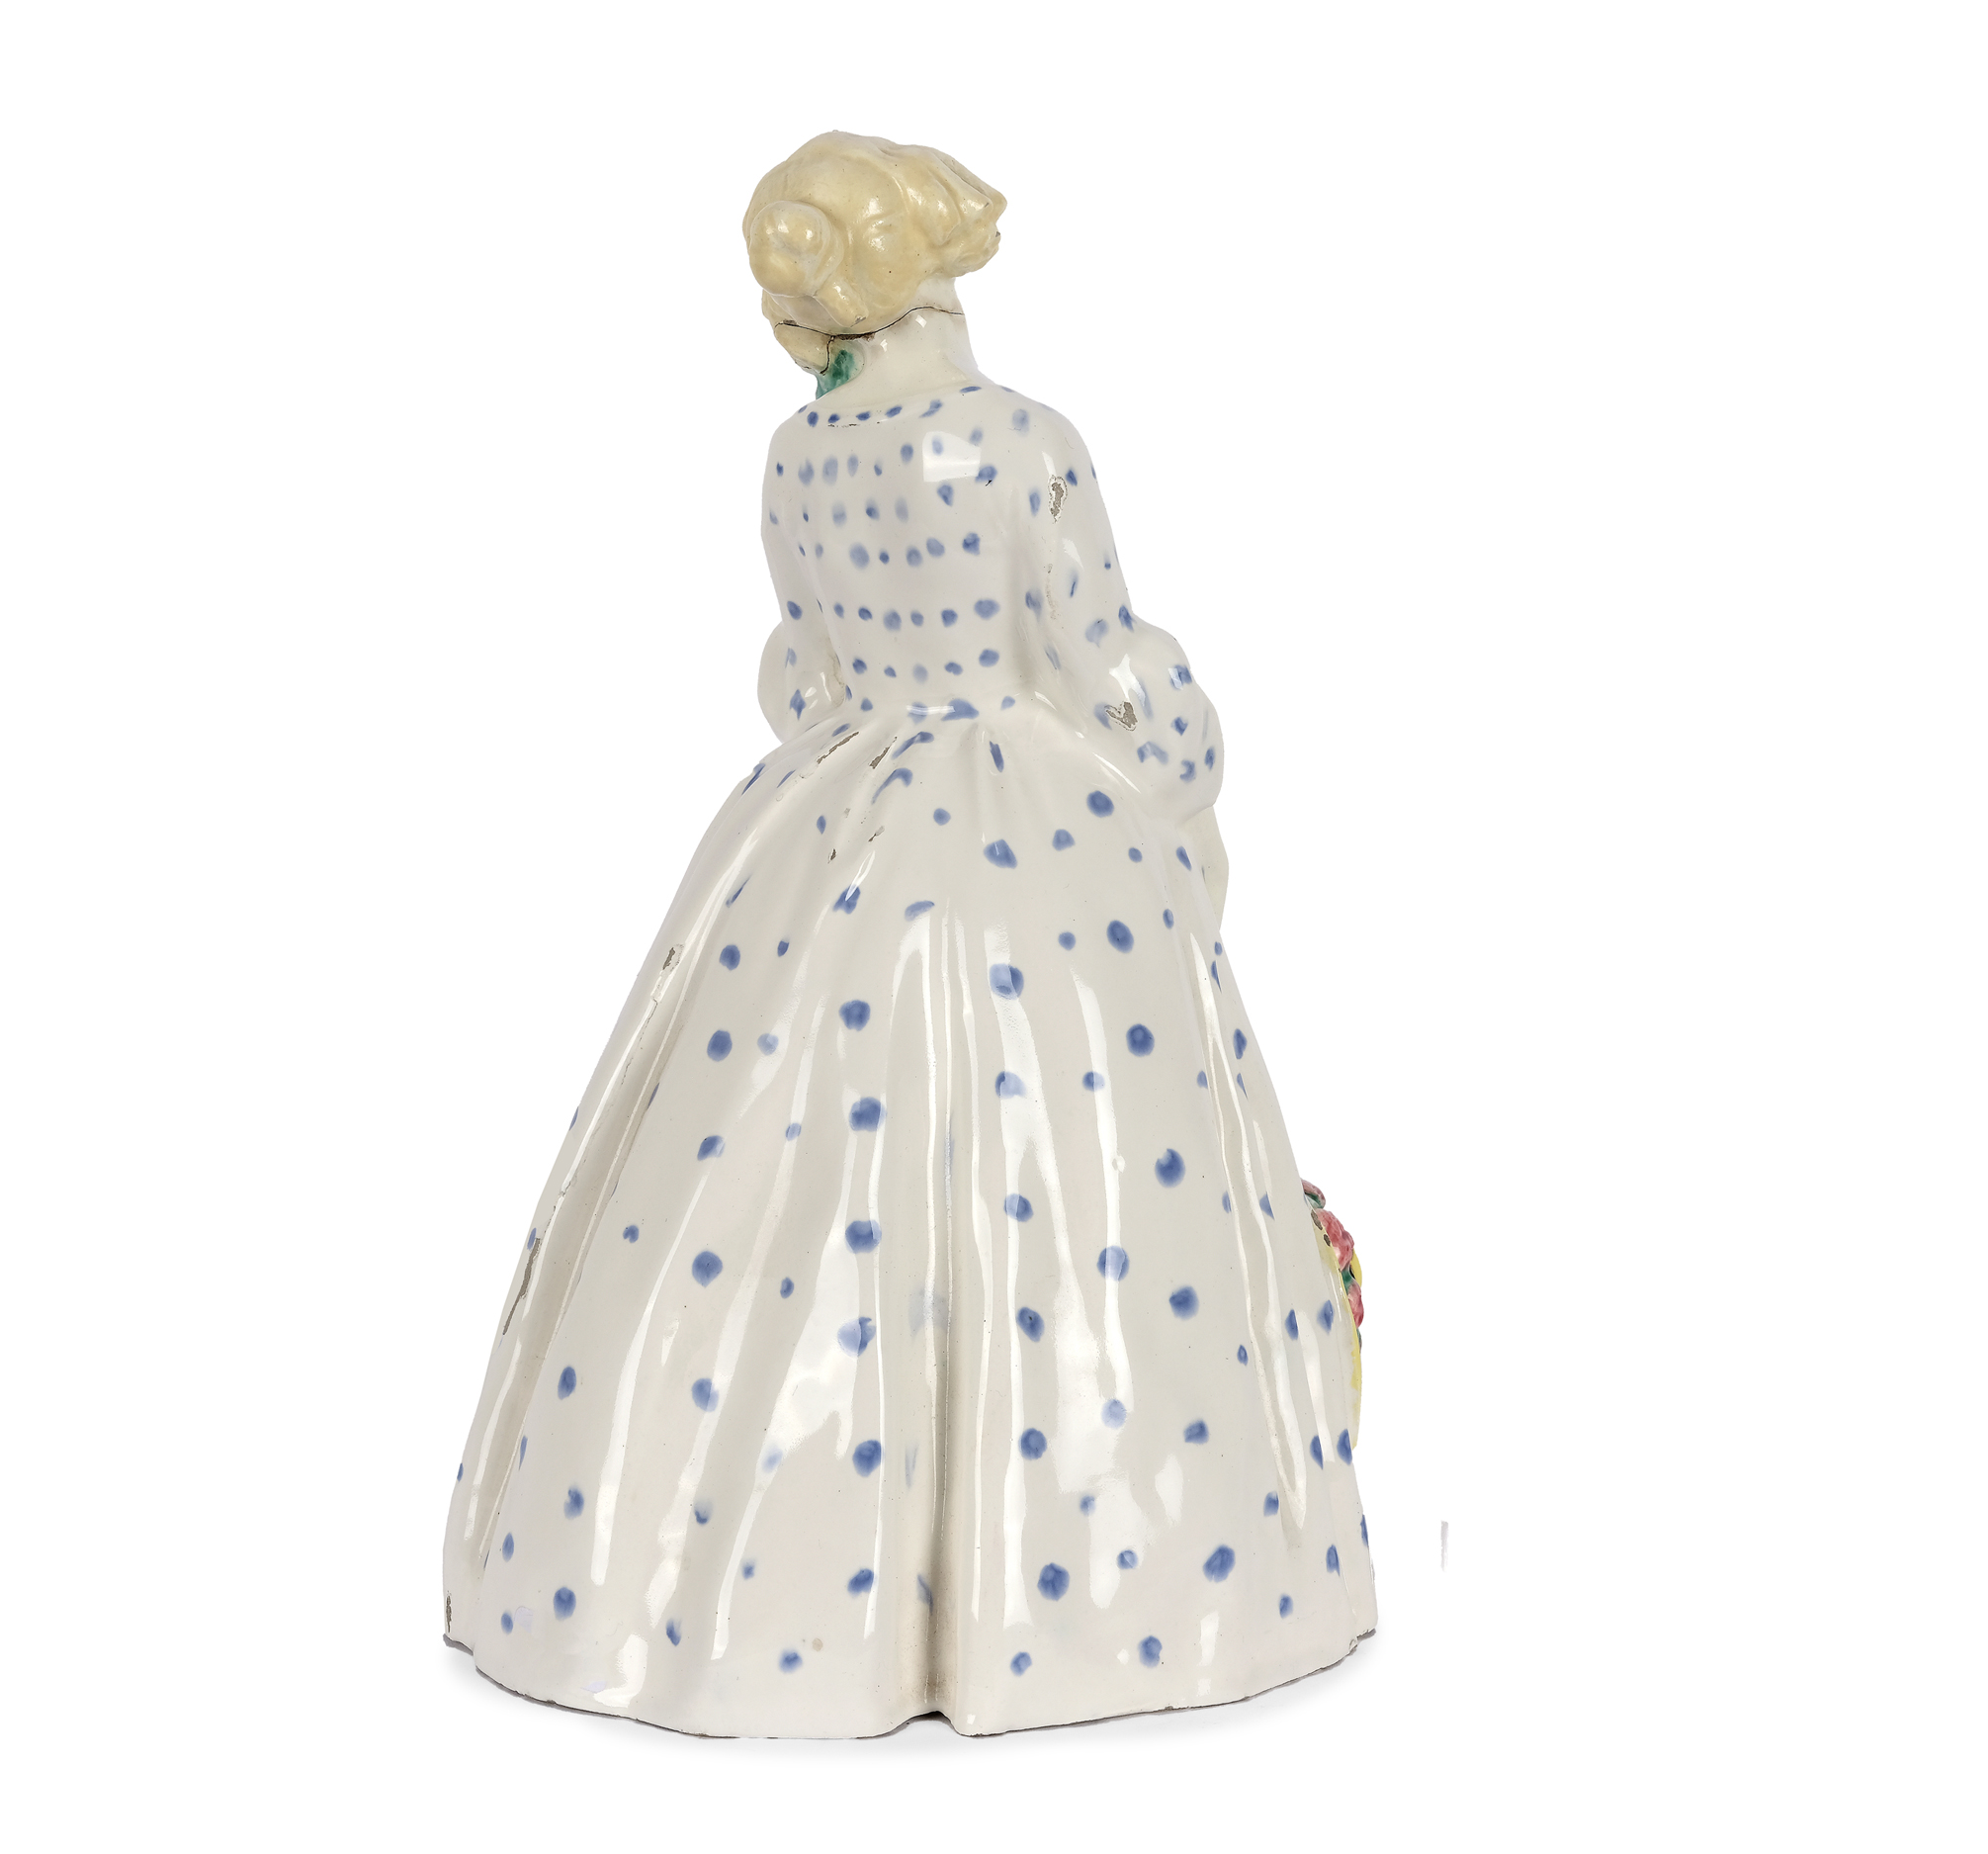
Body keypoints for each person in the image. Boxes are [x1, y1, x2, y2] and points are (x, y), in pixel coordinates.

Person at [442, 132, 1372, 1737]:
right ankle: (1114, 1585)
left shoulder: (793, 459)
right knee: (1074, 1162)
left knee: (771, 1160)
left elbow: (804, 673)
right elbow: (1096, 652)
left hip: (828, 827)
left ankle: (734, 1582)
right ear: (938, 268)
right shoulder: (1024, 440)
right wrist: (1179, 770)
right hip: (1036, 834)